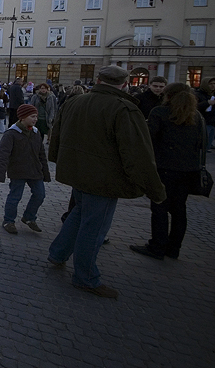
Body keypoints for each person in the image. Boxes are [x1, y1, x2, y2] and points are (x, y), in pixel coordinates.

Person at [47, 65, 165, 300]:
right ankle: (85, 277)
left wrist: (57, 159)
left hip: (78, 171)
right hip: (103, 178)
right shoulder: (124, 109)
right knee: (94, 227)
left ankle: (58, 254)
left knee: (79, 214)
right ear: (124, 84)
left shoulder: (74, 102)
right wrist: (154, 188)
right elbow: (137, 153)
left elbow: (56, 135)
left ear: (99, 80)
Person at [130, 83, 207, 260]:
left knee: (159, 207)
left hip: (165, 168)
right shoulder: (196, 116)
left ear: (168, 96)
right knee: (179, 209)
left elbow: (148, 138)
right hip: (189, 170)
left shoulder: (161, 112)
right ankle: (174, 248)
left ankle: (157, 246)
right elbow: (202, 143)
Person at [0, 104, 51, 234]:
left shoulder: (36, 133)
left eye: (36, 116)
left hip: (34, 171)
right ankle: (8, 221)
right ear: (22, 117)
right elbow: (3, 154)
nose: (35, 119)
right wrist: (1, 173)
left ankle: (29, 217)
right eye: (32, 116)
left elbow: (42, 154)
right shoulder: (11, 133)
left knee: (40, 194)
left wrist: (46, 173)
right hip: (18, 170)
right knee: (15, 196)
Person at [194, 77, 215, 152]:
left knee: (208, 143)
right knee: (203, 143)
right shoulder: (198, 94)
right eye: (210, 84)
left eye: (214, 84)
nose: (213, 86)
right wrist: (207, 103)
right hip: (204, 121)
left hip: (212, 122)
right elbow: (195, 107)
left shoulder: (212, 95)